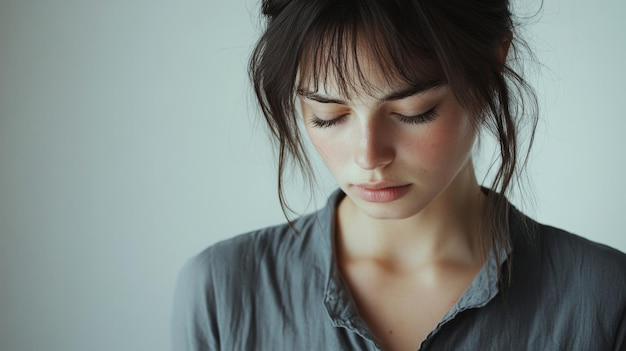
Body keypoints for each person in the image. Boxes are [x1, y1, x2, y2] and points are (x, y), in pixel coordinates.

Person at [171, 0, 626, 350]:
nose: (369, 156)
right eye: (329, 116)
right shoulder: (223, 292)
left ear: (492, 66)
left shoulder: (603, 298)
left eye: (414, 112)